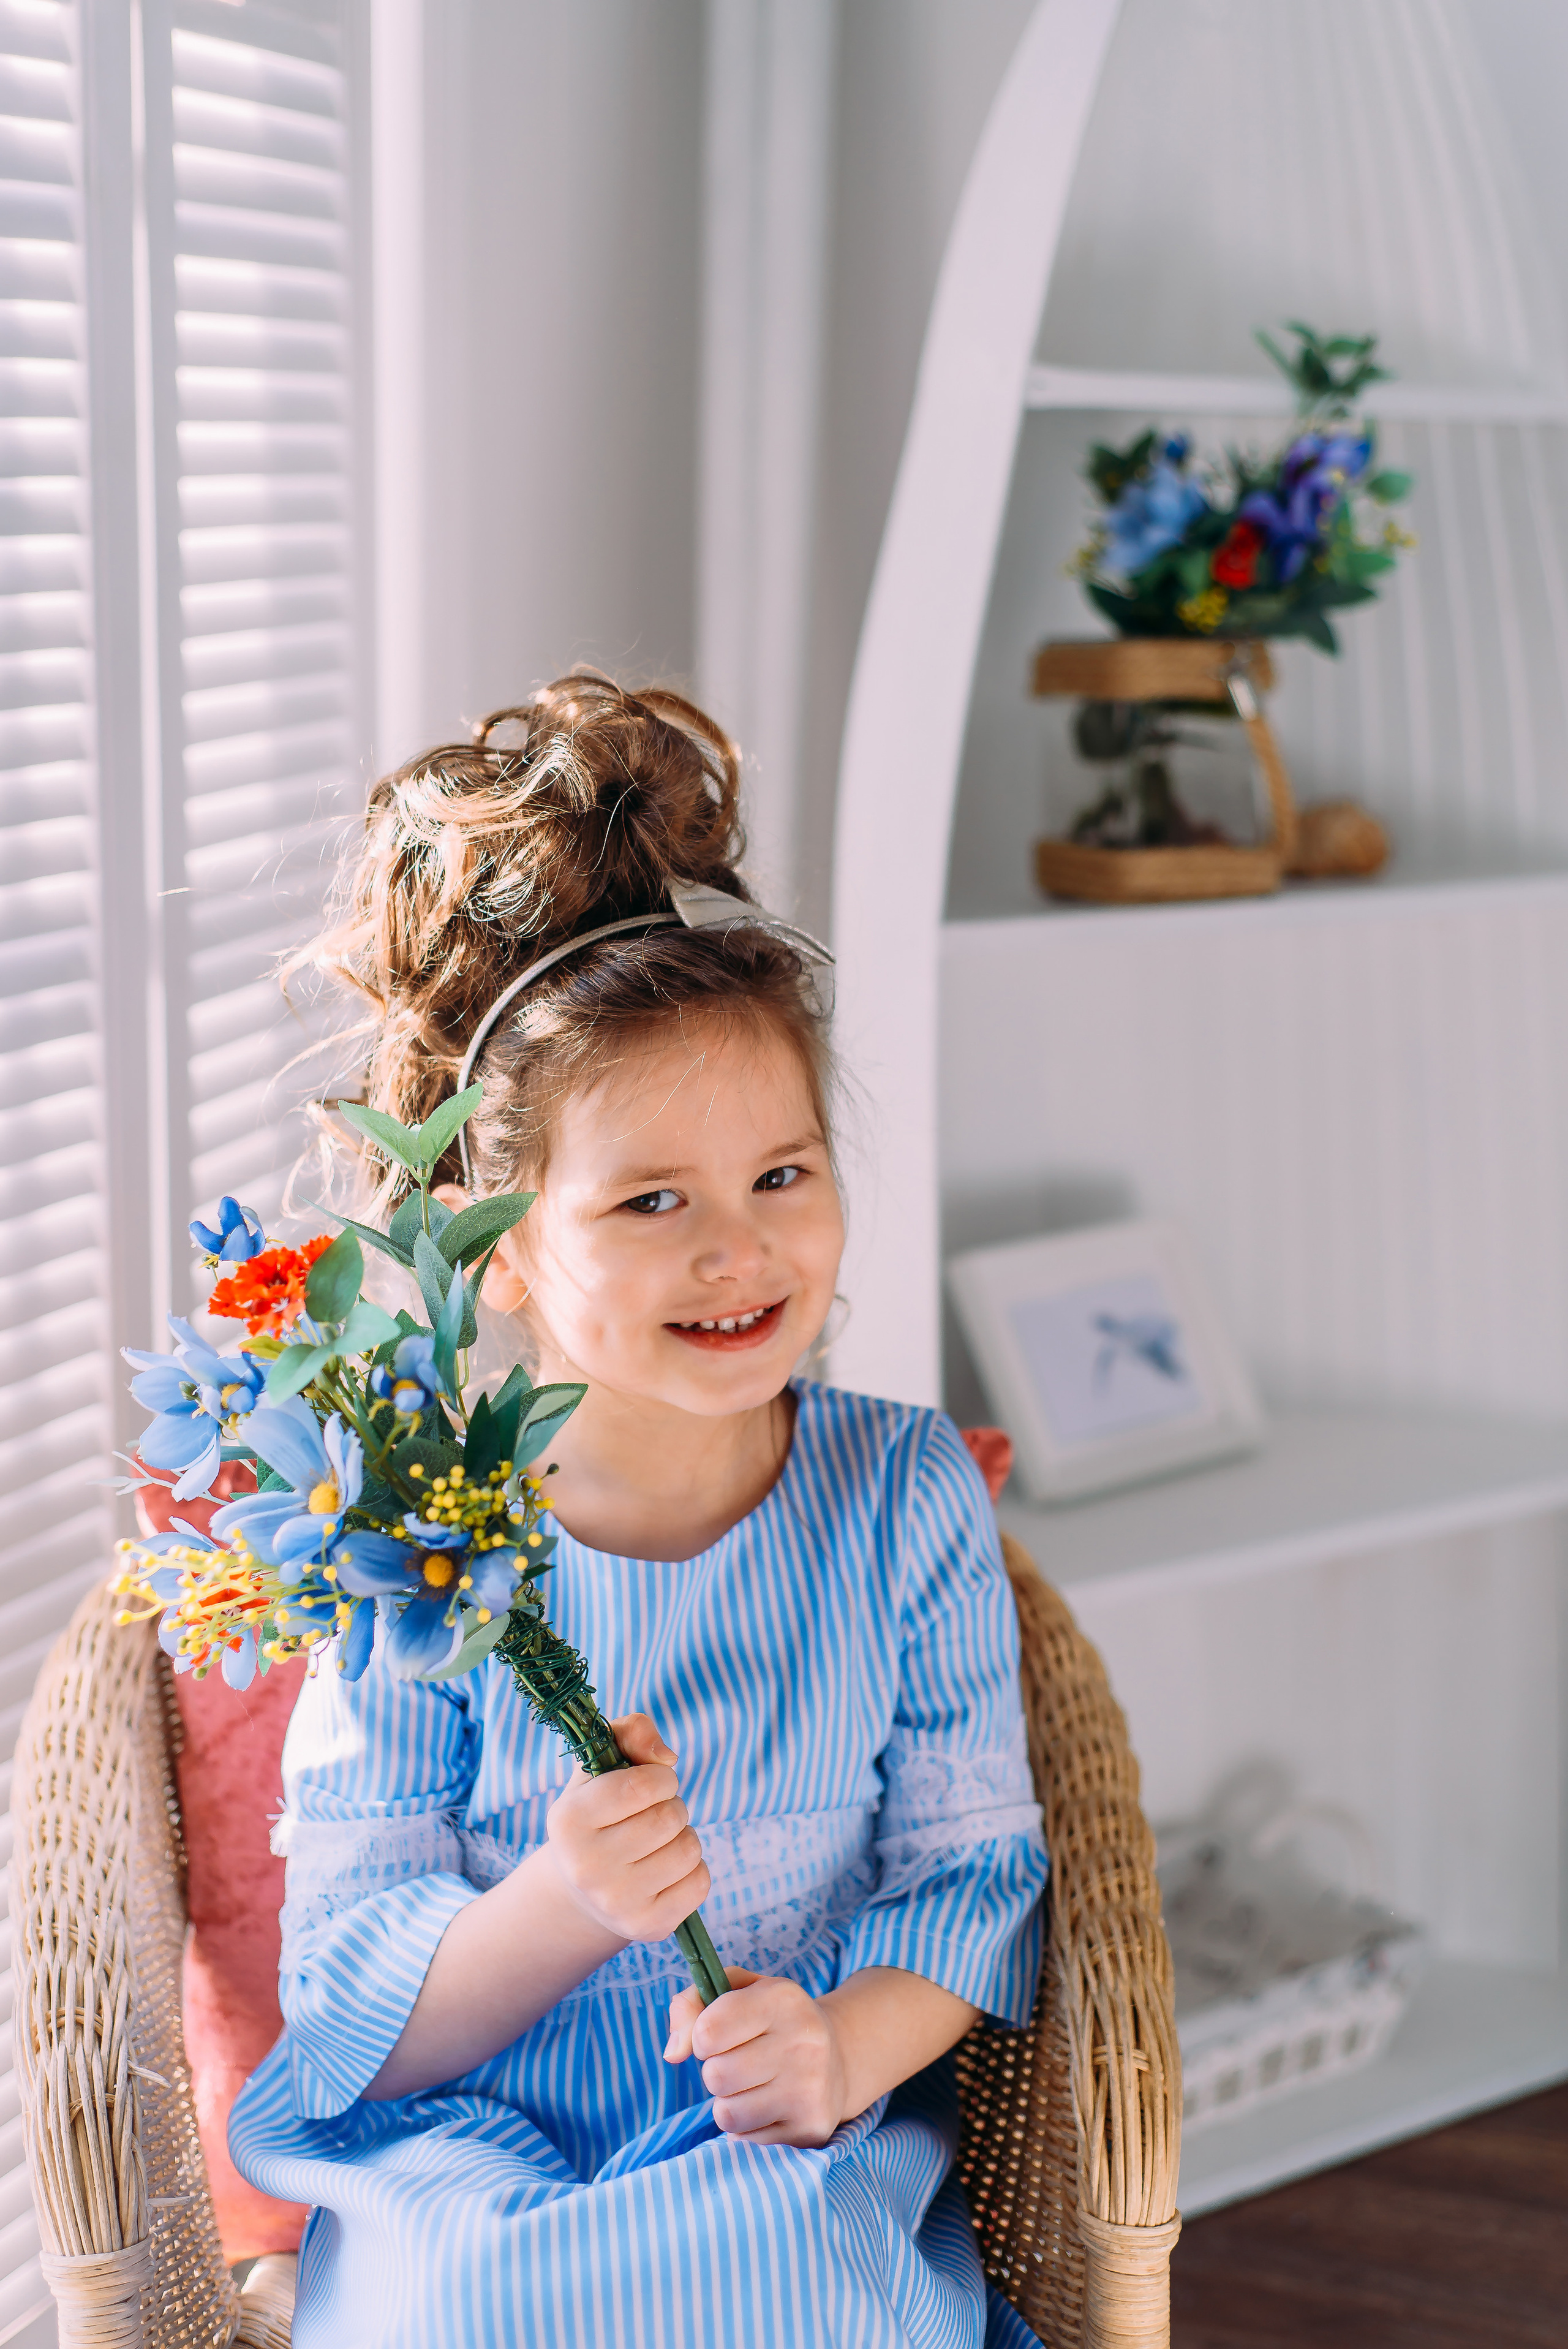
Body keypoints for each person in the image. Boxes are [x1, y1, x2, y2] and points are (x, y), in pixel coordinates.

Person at [229, 674, 1049, 2347]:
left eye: (782, 1174)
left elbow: (970, 1873)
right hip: (474, 2156)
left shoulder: (902, 1498)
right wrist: (564, 1902)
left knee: (796, 2293)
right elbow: (348, 2009)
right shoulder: (421, 1531)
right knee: (475, 2310)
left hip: (778, 2133)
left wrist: (843, 2046)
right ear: (504, 1246)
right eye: (651, 1200)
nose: (738, 1249)